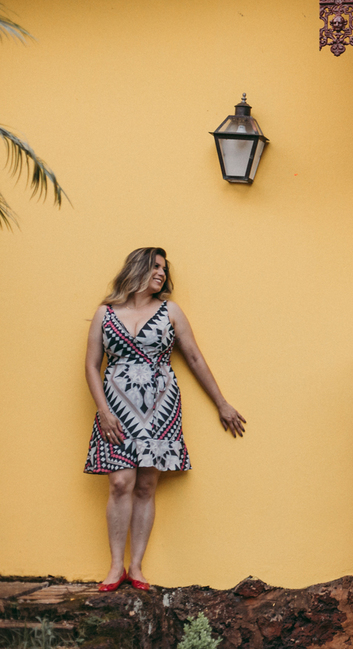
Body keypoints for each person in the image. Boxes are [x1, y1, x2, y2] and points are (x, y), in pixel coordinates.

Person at [84, 247, 246, 591]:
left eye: (164, 269)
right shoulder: (105, 313)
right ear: (138, 268)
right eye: (156, 266)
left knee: (145, 485)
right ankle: (116, 567)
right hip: (116, 408)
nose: (161, 273)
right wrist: (103, 410)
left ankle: (137, 567)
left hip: (160, 407)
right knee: (120, 483)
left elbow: (194, 358)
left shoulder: (171, 311)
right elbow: (91, 365)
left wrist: (222, 403)